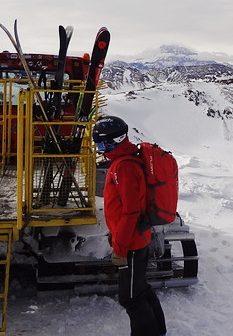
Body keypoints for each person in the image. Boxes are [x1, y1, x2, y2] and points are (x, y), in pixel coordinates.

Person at [93, 116, 167, 336]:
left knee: (131, 298)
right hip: (133, 238)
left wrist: (120, 246)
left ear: (115, 140)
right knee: (140, 290)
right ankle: (159, 331)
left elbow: (131, 210)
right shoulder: (123, 160)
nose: (100, 148)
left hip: (131, 244)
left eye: (102, 144)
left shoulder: (124, 166)